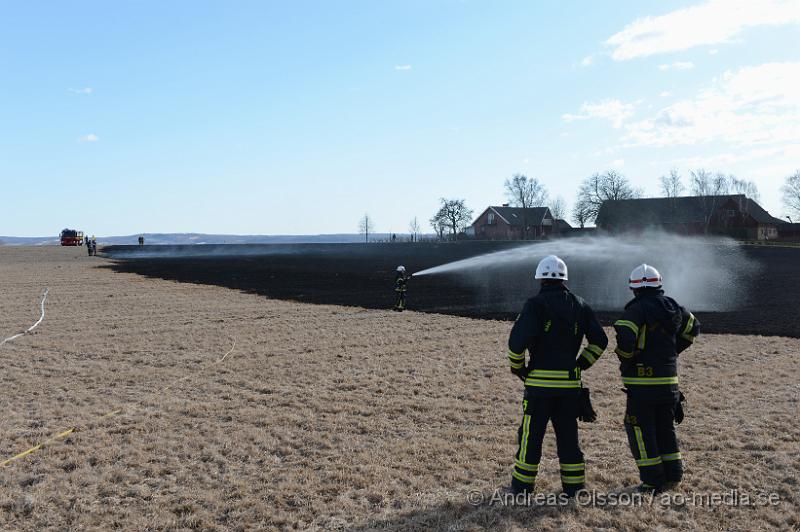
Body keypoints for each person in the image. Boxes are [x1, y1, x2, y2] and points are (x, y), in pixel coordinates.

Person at [506, 255, 608, 496]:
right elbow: (600, 341)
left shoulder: (535, 304)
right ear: (564, 279)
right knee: (568, 439)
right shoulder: (580, 304)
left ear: (541, 278)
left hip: (538, 389)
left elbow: (516, 343)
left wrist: (519, 368)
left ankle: (522, 488)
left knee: (531, 438)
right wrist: (580, 365)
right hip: (569, 388)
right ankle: (574, 489)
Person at [613, 264, 700, 493]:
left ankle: (652, 480)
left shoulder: (636, 310)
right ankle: (673, 473)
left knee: (639, 430)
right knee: (664, 428)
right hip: (669, 384)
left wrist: (628, 358)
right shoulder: (673, 306)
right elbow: (693, 327)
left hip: (642, 385)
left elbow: (625, 336)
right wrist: (673, 351)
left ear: (634, 288)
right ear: (658, 284)